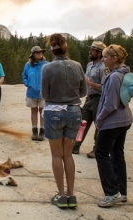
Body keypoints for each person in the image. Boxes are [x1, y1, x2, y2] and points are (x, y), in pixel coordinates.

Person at [41, 34, 86, 209]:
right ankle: (71, 194)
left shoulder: (47, 68)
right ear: (66, 48)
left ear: (52, 50)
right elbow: (83, 91)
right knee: (68, 155)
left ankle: (60, 196)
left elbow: (44, 94)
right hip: (74, 112)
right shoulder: (77, 66)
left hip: (54, 112)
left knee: (56, 155)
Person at [94, 44, 133, 208]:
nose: (102, 59)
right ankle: (122, 192)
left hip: (112, 122)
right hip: (124, 120)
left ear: (114, 58)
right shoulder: (121, 73)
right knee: (117, 154)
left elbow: (110, 104)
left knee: (101, 153)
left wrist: (99, 119)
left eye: (105, 57)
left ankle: (111, 193)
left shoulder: (115, 76)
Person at [72, 41, 107, 158]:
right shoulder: (89, 65)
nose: (90, 52)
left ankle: (96, 149)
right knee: (82, 123)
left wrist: (91, 84)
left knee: (99, 125)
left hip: (99, 99)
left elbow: (105, 87)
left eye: (92, 50)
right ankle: (75, 146)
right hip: (89, 98)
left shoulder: (103, 68)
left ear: (99, 53)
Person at [22, 45, 48, 141]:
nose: (40, 53)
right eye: (37, 52)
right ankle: (34, 131)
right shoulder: (28, 65)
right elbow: (24, 76)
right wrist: (27, 83)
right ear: (33, 54)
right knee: (33, 111)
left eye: (41, 52)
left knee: (42, 112)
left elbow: (50, 77)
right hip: (31, 92)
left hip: (43, 93)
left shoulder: (46, 64)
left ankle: (42, 131)